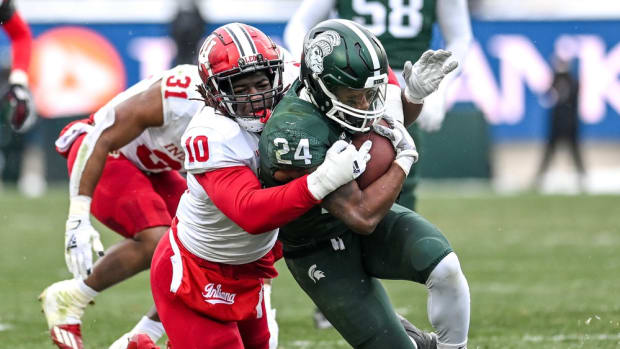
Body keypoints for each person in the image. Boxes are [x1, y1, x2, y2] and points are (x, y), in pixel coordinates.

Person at [148, 22, 371, 349]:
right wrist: (323, 179)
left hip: (251, 266)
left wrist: (405, 96)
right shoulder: (211, 134)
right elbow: (251, 213)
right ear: (215, 93)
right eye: (241, 89)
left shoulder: (295, 81)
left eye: (260, 82)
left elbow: (357, 76)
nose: (255, 97)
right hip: (197, 271)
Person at [260, 19, 470, 349]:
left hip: (364, 214)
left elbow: (389, 120)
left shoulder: (359, 87)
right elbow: (362, 215)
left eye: (370, 94)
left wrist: (412, 96)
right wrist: (404, 159)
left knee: (446, 268)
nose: (364, 105)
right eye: (354, 96)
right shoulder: (294, 130)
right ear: (321, 85)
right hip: (317, 244)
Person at [284, 0, 473, 220]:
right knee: (338, 177)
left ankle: (396, 247)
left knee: (401, 180)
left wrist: (440, 89)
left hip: (407, 85)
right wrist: (315, 72)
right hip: (348, 89)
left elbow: (459, 36)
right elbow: (299, 26)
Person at [535, 55, 585, 190]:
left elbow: (565, 96)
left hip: (566, 123)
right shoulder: (557, 80)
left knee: (574, 152)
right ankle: (539, 179)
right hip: (560, 123)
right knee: (551, 152)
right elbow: (546, 96)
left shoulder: (570, 81)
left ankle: (582, 178)